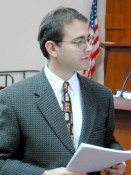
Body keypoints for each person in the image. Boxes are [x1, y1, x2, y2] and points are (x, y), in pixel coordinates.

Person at [0, 7, 126, 175]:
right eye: (79, 41)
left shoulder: (102, 94)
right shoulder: (13, 98)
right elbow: (2, 162)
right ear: (52, 48)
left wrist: (116, 162)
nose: (89, 48)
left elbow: (108, 142)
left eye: (89, 39)